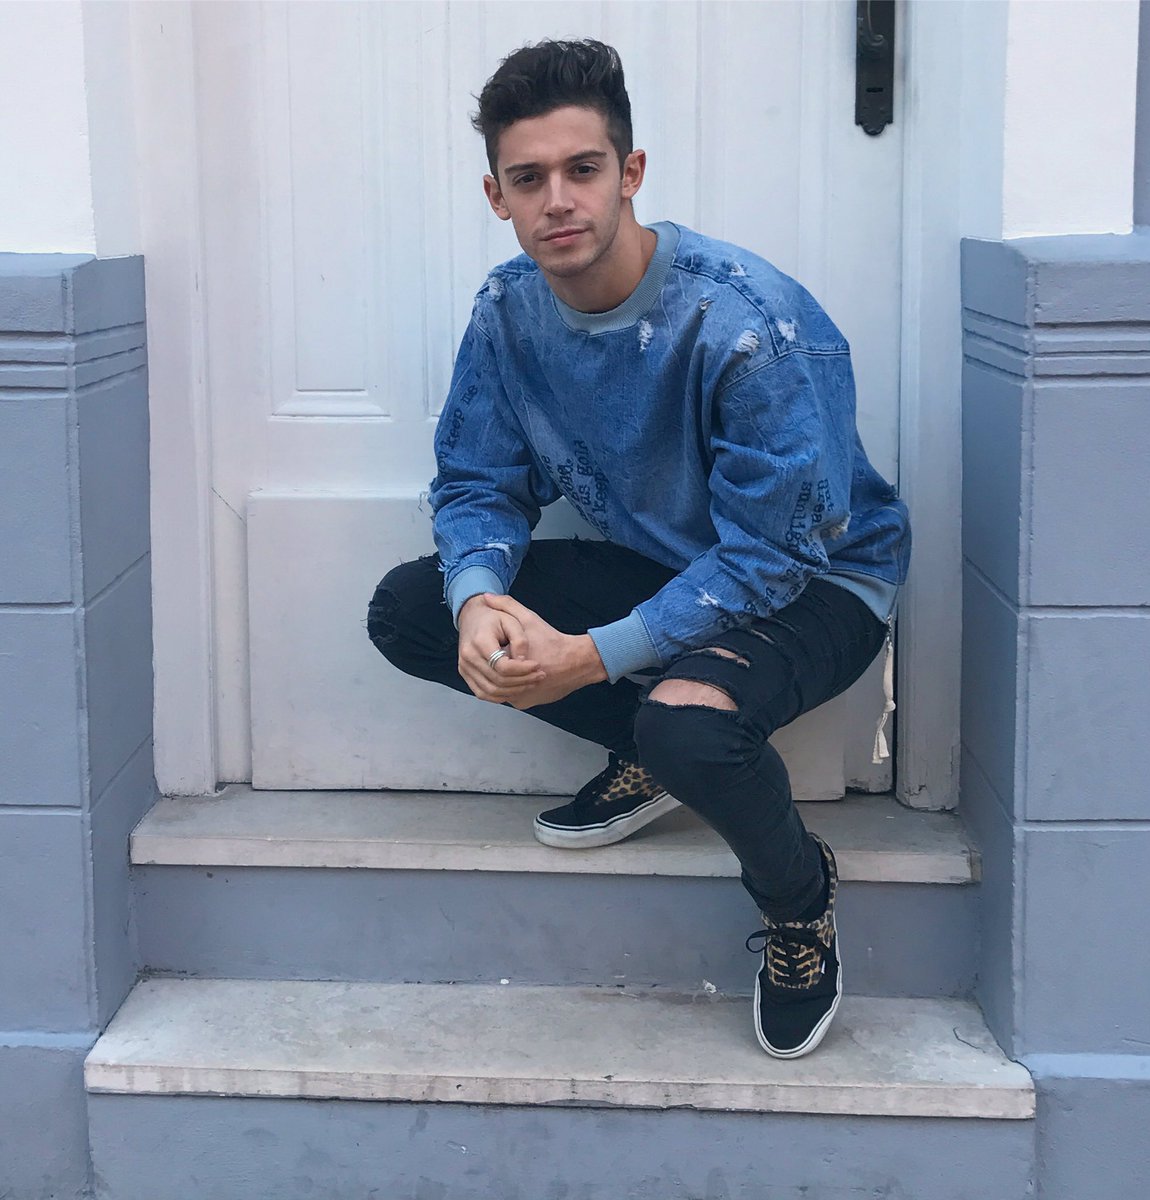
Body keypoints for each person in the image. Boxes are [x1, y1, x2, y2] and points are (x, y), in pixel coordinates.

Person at [367, 38, 910, 1059]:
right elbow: (478, 480)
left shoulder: (747, 323)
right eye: (529, 178)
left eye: (583, 169)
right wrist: (478, 597)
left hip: (819, 584)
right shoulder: (509, 311)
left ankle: (800, 904)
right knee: (414, 609)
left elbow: (772, 557)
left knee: (689, 726)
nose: (557, 201)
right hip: (674, 569)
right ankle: (651, 747)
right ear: (496, 195)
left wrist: (594, 654)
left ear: (631, 173)